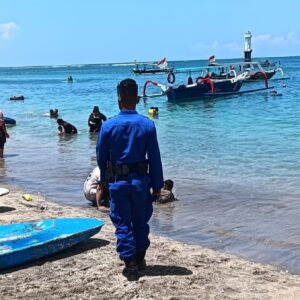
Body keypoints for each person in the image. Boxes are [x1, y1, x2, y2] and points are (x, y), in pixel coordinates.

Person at [96, 78, 163, 277]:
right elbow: (155, 158)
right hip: (141, 183)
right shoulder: (147, 125)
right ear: (137, 98)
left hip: (118, 183)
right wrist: (157, 184)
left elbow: (101, 157)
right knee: (140, 222)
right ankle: (140, 256)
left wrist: (105, 180)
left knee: (123, 223)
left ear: (119, 100)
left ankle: (129, 260)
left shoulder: (108, 126)